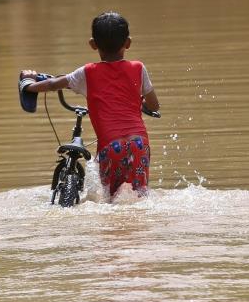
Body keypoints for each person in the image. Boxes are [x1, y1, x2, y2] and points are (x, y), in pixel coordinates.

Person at [19, 11, 160, 200]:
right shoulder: (138, 68)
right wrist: (141, 102)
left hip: (111, 147)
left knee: (111, 202)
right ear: (128, 43)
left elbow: (53, 84)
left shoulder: (87, 73)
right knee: (139, 198)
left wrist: (28, 84)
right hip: (139, 143)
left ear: (93, 44)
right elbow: (154, 105)